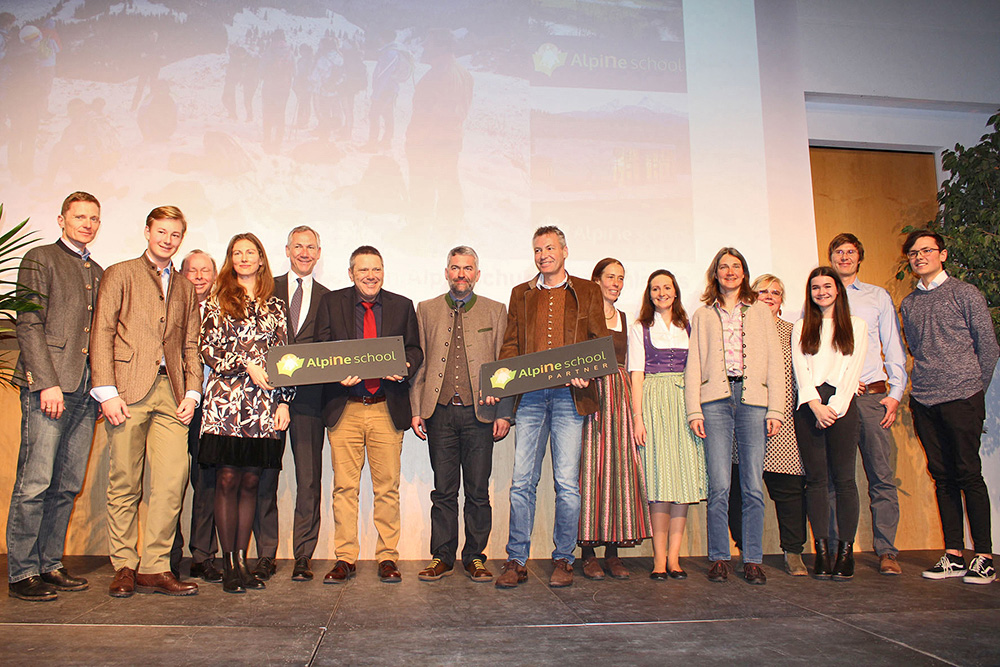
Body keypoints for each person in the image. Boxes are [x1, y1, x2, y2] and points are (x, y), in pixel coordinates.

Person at [90, 206, 202, 598]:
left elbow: (190, 343)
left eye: (175, 234)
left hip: (171, 393)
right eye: (162, 232)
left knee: (173, 479)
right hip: (126, 392)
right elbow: (102, 332)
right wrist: (107, 391)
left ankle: (155, 567)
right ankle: (123, 564)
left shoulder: (186, 288)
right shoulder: (119, 273)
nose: (168, 240)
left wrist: (192, 391)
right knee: (124, 481)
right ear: (147, 232)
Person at [494, 226, 608, 589]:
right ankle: (516, 560)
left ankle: (564, 558)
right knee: (521, 482)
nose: (544, 255)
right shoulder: (520, 295)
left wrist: (587, 374)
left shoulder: (588, 291)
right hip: (529, 399)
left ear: (564, 251)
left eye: (550, 248)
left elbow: (599, 342)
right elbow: (510, 346)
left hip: (568, 398)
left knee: (566, 484)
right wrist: (499, 387)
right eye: (538, 249)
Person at [7, 192, 103, 601]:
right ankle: (22, 572)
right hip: (49, 388)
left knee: (66, 484)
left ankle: (49, 563)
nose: (87, 223)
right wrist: (44, 382)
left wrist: (100, 390)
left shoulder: (97, 270)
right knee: (35, 482)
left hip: (84, 391)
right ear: (62, 219)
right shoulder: (40, 258)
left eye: (94, 218)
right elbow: (28, 324)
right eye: (79, 216)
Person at [314, 246, 423, 584]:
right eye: (363, 270)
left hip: (385, 409)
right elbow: (321, 349)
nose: (370, 275)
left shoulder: (402, 305)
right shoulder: (331, 304)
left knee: (386, 488)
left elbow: (415, 350)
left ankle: (387, 557)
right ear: (351, 273)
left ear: (383, 271)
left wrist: (404, 366)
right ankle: (345, 557)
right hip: (345, 408)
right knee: (344, 488)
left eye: (376, 269)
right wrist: (336, 373)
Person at [900, 230, 1000, 584]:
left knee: (969, 474)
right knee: (942, 477)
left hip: (962, 397)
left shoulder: (965, 294)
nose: (919, 257)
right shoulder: (909, 304)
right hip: (925, 398)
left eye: (926, 250)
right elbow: (916, 349)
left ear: (942, 254)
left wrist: (974, 390)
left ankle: (984, 555)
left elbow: (988, 348)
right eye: (913, 253)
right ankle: (954, 553)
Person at [410, 246, 512, 583]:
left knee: (478, 492)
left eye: (468, 268)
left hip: (480, 415)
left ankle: (476, 557)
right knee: (443, 491)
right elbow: (420, 364)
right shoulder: (425, 310)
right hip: (438, 413)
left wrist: (504, 413)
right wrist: (416, 410)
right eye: (455, 268)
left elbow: (505, 367)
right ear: (446, 272)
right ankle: (442, 556)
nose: (461, 274)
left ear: (477, 274)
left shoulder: (496, 311)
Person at [199, 233, 293, 594]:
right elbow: (208, 349)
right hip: (227, 402)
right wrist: (246, 363)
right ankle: (229, 565)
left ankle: (243, 560)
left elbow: (286, 359)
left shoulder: (276, 306)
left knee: (252, 481)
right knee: (226, 480)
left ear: (261, 259)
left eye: (249, 252)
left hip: (264, 406)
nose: (243, 258)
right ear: (230, 259)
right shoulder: (216, 300)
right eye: (236, 253)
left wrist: (285, 400)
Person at [686, 247, 783, 586]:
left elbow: (775, 362)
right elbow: (694, 365)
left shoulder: (760, 312)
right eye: (723, 267)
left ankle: (753, 559)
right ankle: (718, 558)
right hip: (715, 402)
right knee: (719, 485)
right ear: (715, 273)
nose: (729, 272)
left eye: (736, 266)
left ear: (744, 272)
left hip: (753, 401)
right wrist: (693, 409)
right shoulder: (702, 315)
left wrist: (776, 409)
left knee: (753, 485)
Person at [254, 226, 329, 582]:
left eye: (310, 247)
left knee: (309, 480)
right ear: (286, 250)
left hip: (311, 403)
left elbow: (333, 350)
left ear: (318, 252)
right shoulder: (266, 289)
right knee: (266, 477)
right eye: (297, 246)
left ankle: (303, 555)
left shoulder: (329, 298)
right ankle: (266, 555)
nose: (304, 252)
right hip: (267, 398)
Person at [828, 233, 906, 575]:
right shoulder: (820, 295)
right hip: (836, 401)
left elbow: (893, 344)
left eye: (850, 252)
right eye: (838, 252)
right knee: (834, 478)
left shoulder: (877, 297)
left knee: (882, 476)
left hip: (874, 399)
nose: (844, 257)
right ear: (830, 258)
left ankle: (887, 551)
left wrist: (896, 392)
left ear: (859, 258)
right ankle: (833, 547)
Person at [728, 275, 809, 576]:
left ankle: (793, 551)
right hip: (744, 421)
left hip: (783, 423)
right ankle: (746, 550)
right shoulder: (738, 332)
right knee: (740, 490)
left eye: (776, 292)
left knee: (789, 491)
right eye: (762, 291)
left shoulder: (793, 333)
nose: (769, 296)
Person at [791, 267, 868, 580]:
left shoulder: (857, 326)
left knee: (845, 480)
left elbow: (852, 372)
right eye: (815, 288)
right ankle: (822, 553)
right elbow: (801, 369)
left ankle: (845, 553)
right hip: (810, 406)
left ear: (838, 289)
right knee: (817, 481)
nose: (821, 292)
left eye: (827, 286)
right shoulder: (801, 326)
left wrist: (833, 409)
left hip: (842, 405)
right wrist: (815, 406)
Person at [628, 270, 704, 580]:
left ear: (676, 292)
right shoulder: (639, 329)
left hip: (685, 403)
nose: (661, 293)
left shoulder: (690, 326)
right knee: (660, 483)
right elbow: (636, 374)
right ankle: (659, 559)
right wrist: (638, 418)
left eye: (667, 287)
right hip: (654, 403)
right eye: (655, 288)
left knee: (682, 484)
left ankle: (675, 558)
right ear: (649, 293)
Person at [579, 258, 651, 580]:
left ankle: (613, 552)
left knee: (618, 473)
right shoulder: (581, 317)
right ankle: (588, 552)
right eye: (610, 277)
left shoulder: (626, 320)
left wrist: (636, 416)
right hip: (591, 398)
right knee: (590, 472)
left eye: (621, 279)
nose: (616, 284)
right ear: (596, 280)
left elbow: (634, 368)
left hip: (619, 398)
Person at [168, 250, 221, 583]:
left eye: (206, 271)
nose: (199, 276)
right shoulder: (171, 306)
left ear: (215, 275)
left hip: (213, 408)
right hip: (174, 403)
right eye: (192, 270)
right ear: (181, 274)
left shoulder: (223, 309)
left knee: (207, 482)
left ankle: (203, 556)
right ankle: (169, 556)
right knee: (170, 481)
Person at [405, 28, 473, 224]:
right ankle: (449, 227)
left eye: (429, 43)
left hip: (429, 143)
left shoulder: (439, 75)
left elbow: (430, 114)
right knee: (448, 184)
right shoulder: (463, 72)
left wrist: (414, 141)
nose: (425, 47)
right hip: (450, 141)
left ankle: (419, 231)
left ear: (442, 47)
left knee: (423, 187)